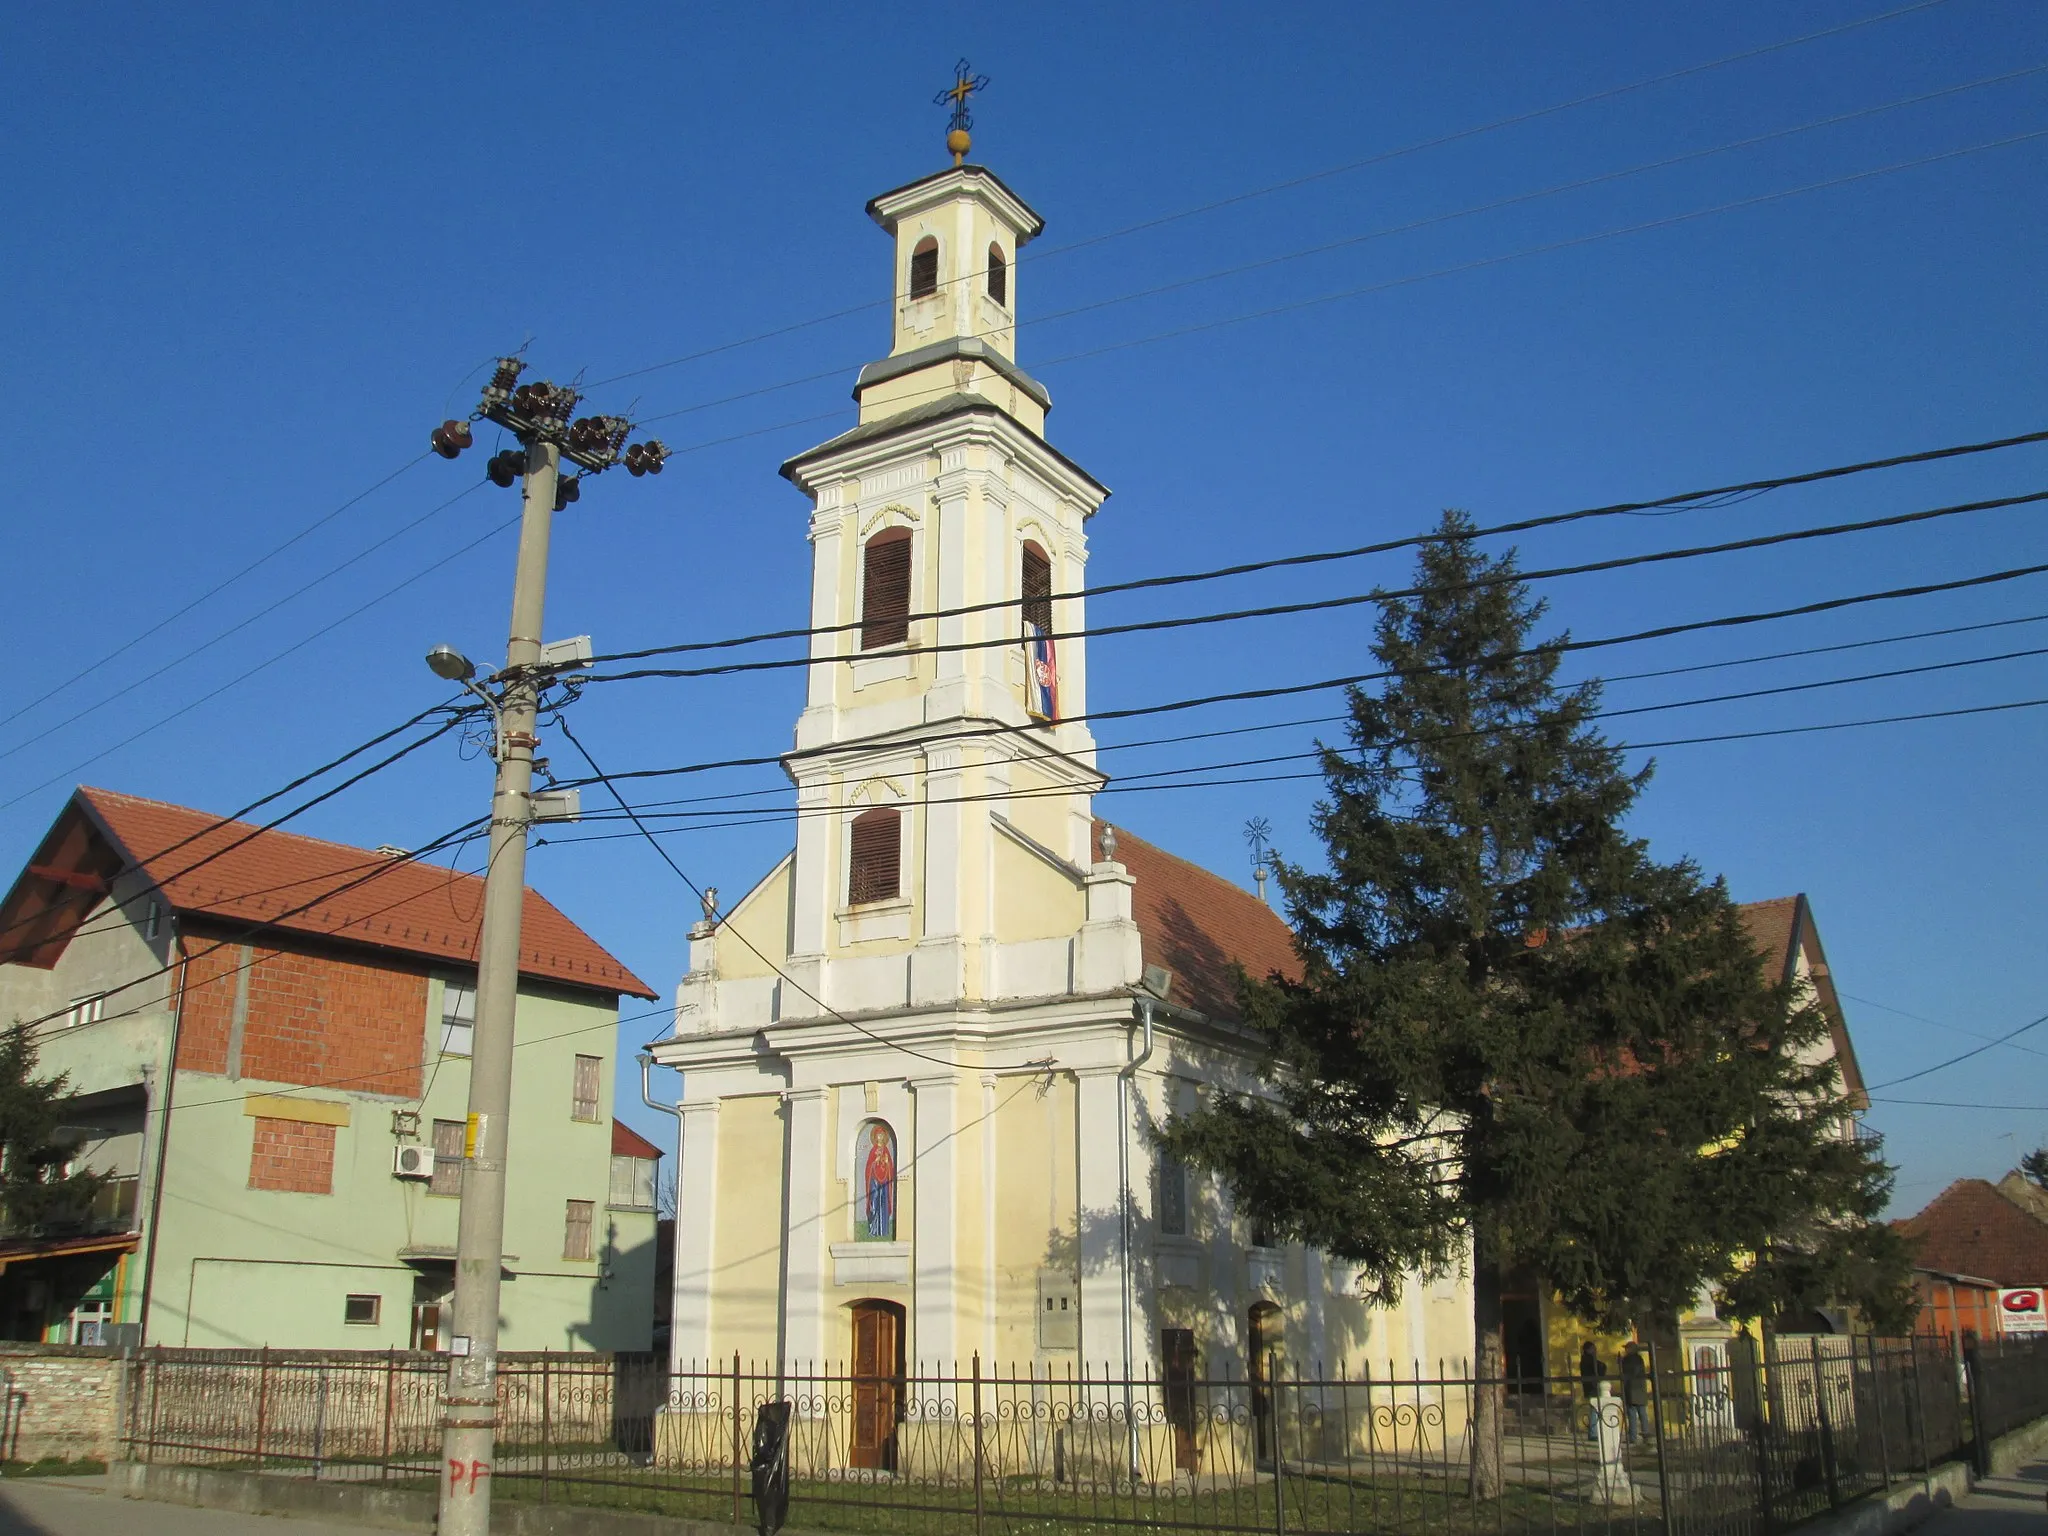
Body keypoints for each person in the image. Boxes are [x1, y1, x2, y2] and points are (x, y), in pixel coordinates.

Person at [1620, 1341, 1650, 1445]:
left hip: (1631, 1389)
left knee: (1633, 1413)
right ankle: (1645, 1435)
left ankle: (1633, 1437)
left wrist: (1620, 1362)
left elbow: (1625, 1373)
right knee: (1642, 1413)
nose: (1625, 1350)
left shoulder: (1627, 1360)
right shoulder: (1639, 1359)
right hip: (1639, 1389)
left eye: (1627, 1348)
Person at [1579, 1341, 1604, 1443]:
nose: (1595, 1350)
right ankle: (1593, 1433)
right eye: (1593, 1348)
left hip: (1590, 1387)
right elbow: (1599, 1368)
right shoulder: (1589, 1360)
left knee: (1594, 1409)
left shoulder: (1585, 1360)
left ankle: (1594, 1432)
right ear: (1588, 1349)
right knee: (1594, 1410)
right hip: (1593, 1387)